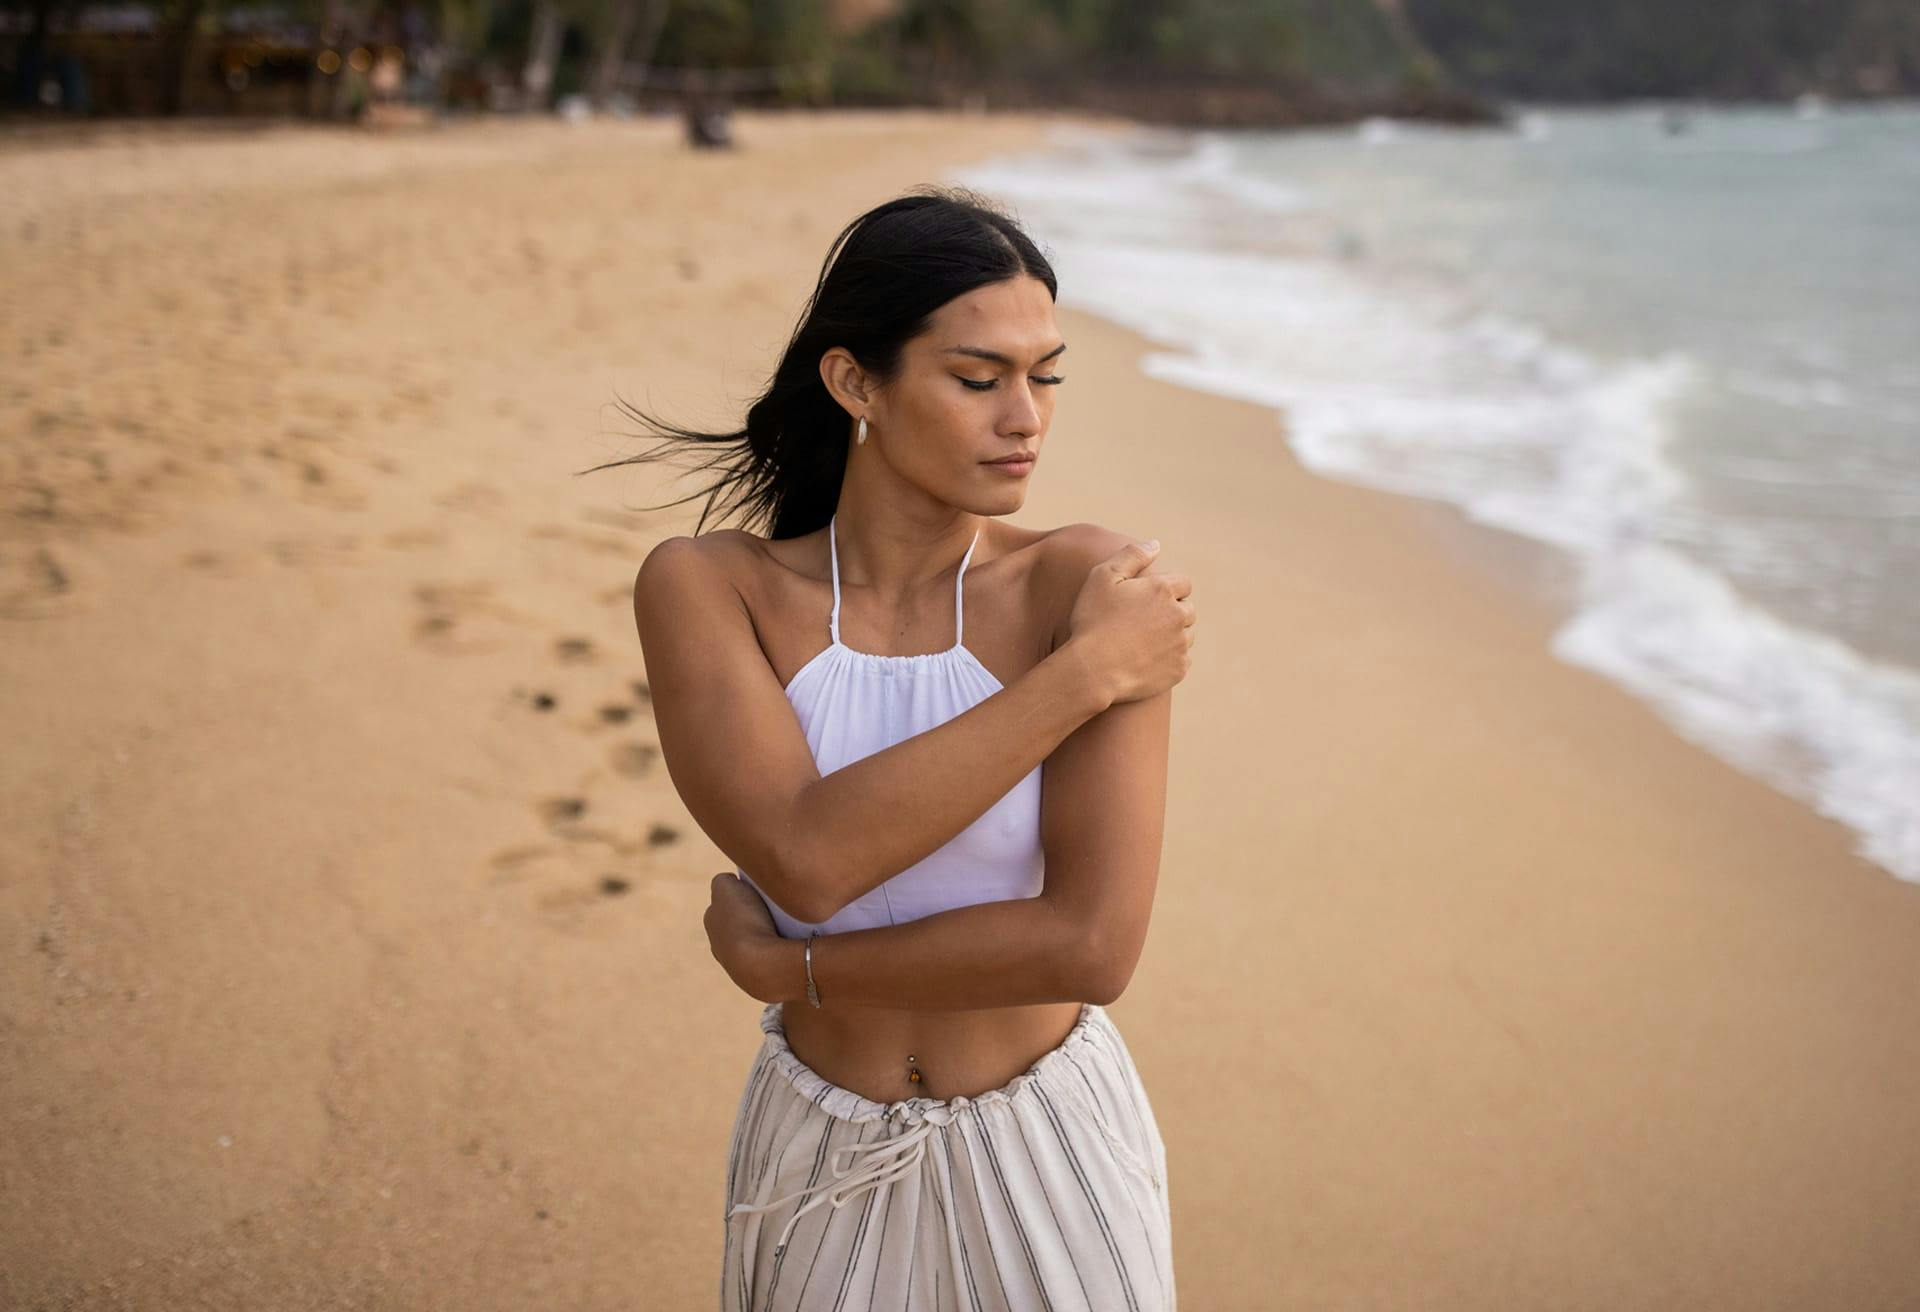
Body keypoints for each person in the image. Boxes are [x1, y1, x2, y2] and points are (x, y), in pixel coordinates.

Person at [612, 186, 1195, 1309]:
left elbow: (1088, 945)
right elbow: (808, 857)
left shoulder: (1084, 583)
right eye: (978, 379)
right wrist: (1083, 678)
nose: (1025, 417)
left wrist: (796, 970)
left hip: (1052, 1146)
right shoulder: (711, 590)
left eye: (1046, 375)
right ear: (854, 382)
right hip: (816, 1150)